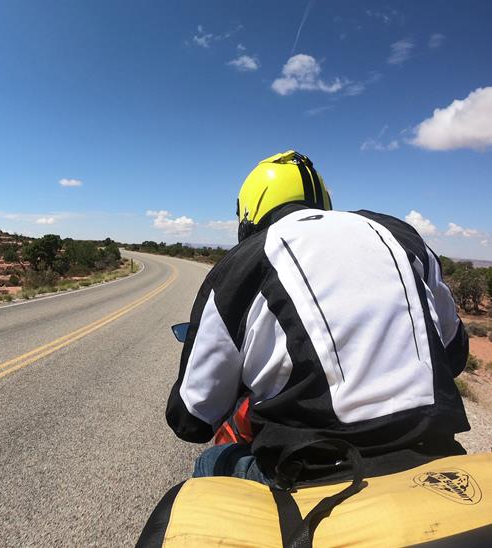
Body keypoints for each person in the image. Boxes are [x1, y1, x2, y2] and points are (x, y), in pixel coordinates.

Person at [166, 150, 470, 486]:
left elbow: (191, 418)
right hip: (433, 450)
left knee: (210, 461)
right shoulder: (402, 234)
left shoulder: (242, 262)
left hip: (311, 469)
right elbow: (454, 352)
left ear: (250, 211)